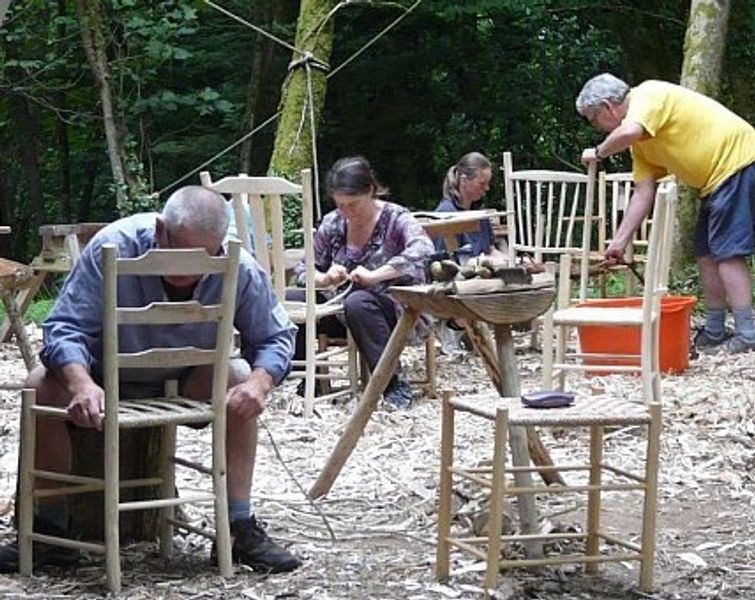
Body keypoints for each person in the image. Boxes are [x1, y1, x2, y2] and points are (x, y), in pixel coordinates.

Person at [0, 186, 301, 574]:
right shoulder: (113, 246)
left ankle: (237, 527)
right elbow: (63, 328)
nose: (188, 270)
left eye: (201, 258)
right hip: (101, 379)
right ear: (161, 230)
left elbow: (276, 336)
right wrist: (81, 383)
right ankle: (49, 534)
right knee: (38, 385)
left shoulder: (235, 262)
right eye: (179, 254)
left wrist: (260, 384)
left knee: (240, 376)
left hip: (184, 380)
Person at [576, 73, 755, 354]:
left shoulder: (647, 95)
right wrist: (620, 242)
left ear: (609, 107)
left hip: (739, 163)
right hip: (716, 182)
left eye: (594, 118)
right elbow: (642, 193)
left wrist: (598, 153)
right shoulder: (641, 147)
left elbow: (629, 131)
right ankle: (715, 330)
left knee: (727, 252)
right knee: (706, 254)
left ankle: (748, 334)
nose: (598, 127)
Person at [292, 156, 434, 409]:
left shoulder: (395, 218)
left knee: (359, 302)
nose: (347, 212)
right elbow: (303, 268)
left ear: (370, 190)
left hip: (394, 310)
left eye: (353, 204)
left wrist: (375, 275)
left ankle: (391, 381)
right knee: (294, 299)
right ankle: (308, 378)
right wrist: (324, 279)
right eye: (341, 205)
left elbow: (423, 250)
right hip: (341, 307)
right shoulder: (333, 222)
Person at [433, 152, 507, 261]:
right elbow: (446, 262)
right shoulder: (445, 214)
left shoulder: (480, 215)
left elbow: (491, 250)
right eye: (482, 184)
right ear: (464, 180)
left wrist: (514, 262)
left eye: (488, 183)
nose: (487, 188)